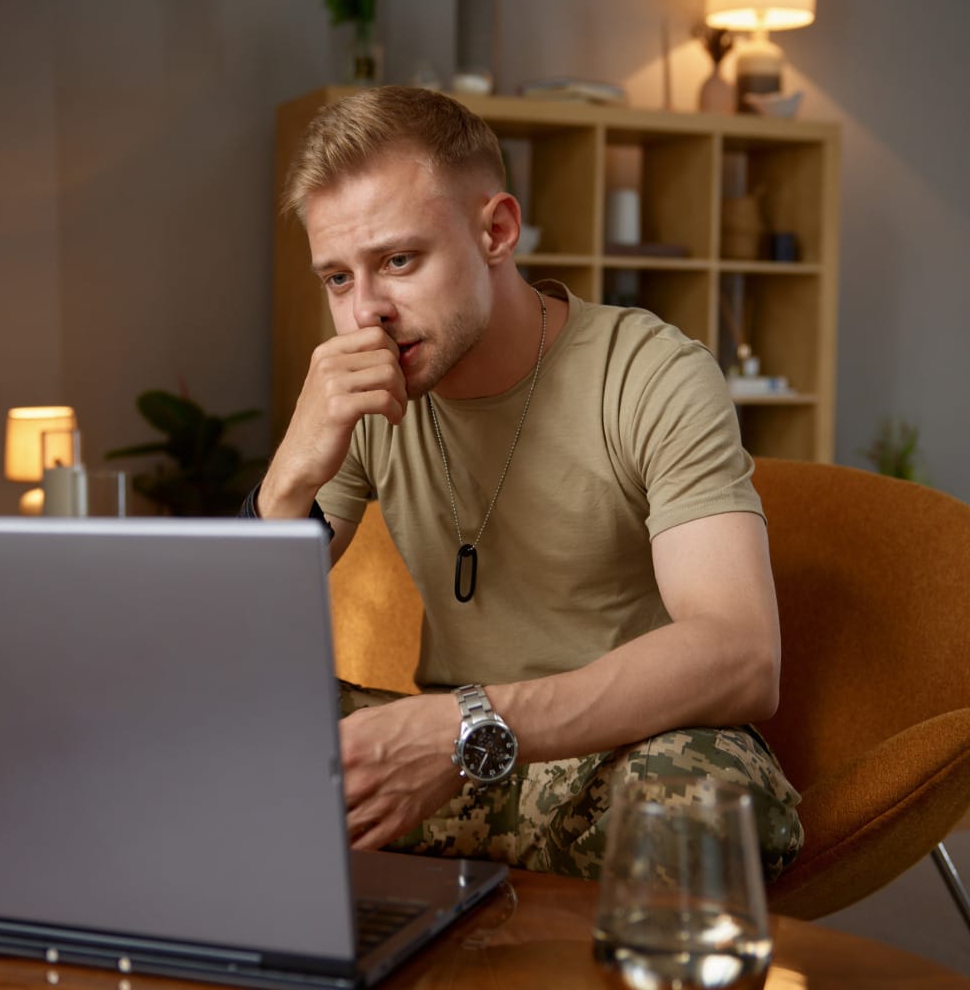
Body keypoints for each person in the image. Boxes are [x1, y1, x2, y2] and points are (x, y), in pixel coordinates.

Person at [243, 85, 802, 880]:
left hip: (613, 760)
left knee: (699, 796)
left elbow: (741, 654)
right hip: (439, 771)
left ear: (496, 231)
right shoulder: (365, 395)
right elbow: (231, 642)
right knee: (207, 722)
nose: (366, 313)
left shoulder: (649, 373)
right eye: (337, 278)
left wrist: (465, 726)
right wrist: (289, 479)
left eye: (399, 261)